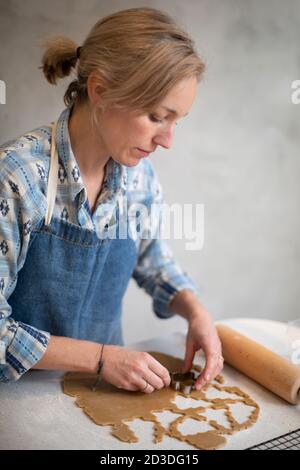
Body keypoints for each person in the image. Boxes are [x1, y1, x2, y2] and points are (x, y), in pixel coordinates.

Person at [0, 7, 223, 392]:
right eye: (157, 116)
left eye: (176, 121)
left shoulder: (139, 177)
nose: (167, 140)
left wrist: (196, 313)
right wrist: (101, 358)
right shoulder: (17, 178)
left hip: (104, 393)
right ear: (100, 90)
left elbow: (152, 261)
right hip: (20, 402)